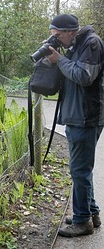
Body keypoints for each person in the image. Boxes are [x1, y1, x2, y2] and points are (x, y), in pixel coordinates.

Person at [46, 14, 104, 237]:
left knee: (79, 170)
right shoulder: (75, 45)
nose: (57, 40)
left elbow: (83, 76)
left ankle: (82, 222)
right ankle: (91, 213)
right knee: (81, 170)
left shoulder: (92, 43)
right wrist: (56, 58)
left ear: (70, 31)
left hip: (86, 117)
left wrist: (59, 60)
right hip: (76, 116)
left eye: (58, 36)